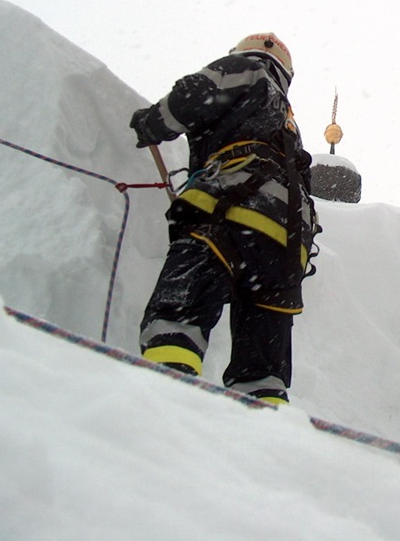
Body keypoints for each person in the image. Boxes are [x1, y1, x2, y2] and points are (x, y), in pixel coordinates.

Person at [129, 33, 318, 405]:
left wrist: (152, 123)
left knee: (180, 314)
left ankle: (163, 390)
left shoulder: (247, 69)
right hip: (286, 246)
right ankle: (263, 412)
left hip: (231, 211)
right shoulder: (288, 122)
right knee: (262, 358)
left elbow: (194, 95)